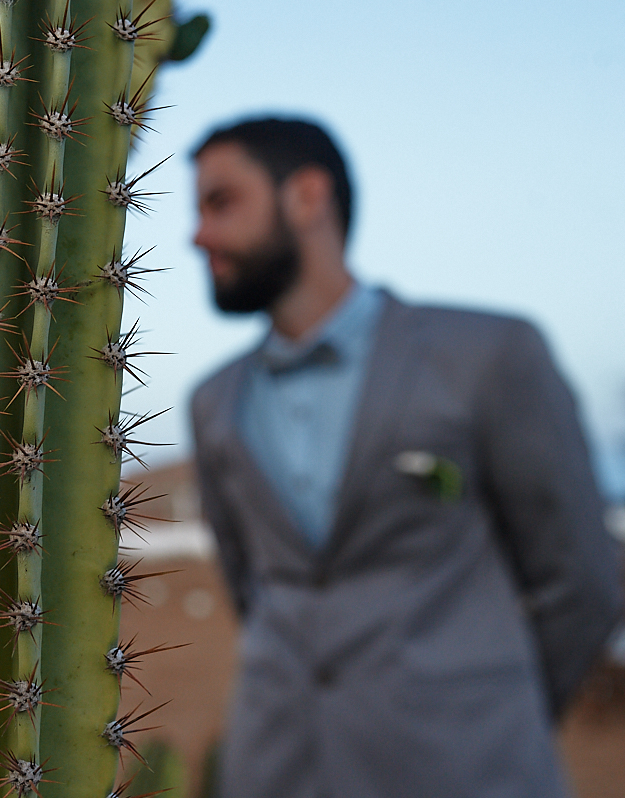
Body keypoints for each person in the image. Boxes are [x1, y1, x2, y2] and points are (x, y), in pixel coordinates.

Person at [189, 117, 623, 798]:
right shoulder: (213, 401)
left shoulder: (489, 356)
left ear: (307, 197)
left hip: (469, 771)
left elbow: (584, 580)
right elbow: (254, 587)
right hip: (276, 770)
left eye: (221, 202)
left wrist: (494, 713)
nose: (199, 234)